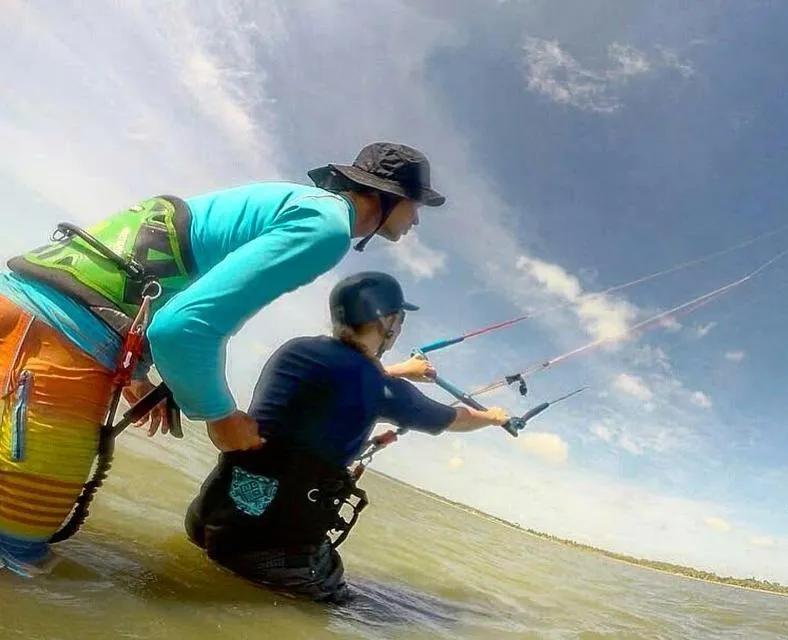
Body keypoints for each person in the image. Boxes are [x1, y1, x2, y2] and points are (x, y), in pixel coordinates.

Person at [0, 142, 446, 575]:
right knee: (17, 553)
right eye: (415, 205)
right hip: (54, 339)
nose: (417, 219)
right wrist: (220, 417)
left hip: (26, 308)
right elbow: (183, 327)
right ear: (389, 197)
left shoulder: (292, 201)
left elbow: (158, 283)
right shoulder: (326, 227)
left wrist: (136, 368)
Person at [184, 271, 511, 604]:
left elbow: (345, 377)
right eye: (400, 320)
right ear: (389, 322)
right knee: (360, 615)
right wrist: (493, 418)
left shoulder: (296, 350)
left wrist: (398, 370)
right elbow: (457, 418)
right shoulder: (383, 390)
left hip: (210, 517)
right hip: (269, 549)